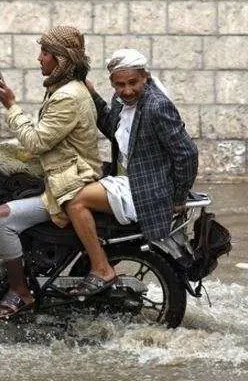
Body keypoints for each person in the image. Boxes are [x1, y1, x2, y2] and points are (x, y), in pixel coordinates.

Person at [0, 25, 111, 318]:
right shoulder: (65, 90)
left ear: (61, 59)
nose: (39, 58)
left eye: (45, 52)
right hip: (61, 171)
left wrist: (11, 106)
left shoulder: (67, 96)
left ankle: (19, 291)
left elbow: (36, 140)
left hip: (69, 180)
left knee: (1, 219)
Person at [64, 49, 198, 295]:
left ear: (145, 77)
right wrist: (91, 93)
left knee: (75, 201)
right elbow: (111, 127)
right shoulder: (122, 101)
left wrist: (178, 198)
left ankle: (102, 268)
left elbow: (187, 154)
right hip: (126, 179)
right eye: (119, 84)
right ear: (112, 83)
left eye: (132, 83)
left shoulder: (157, 107)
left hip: (146, 190)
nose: (126, 90)